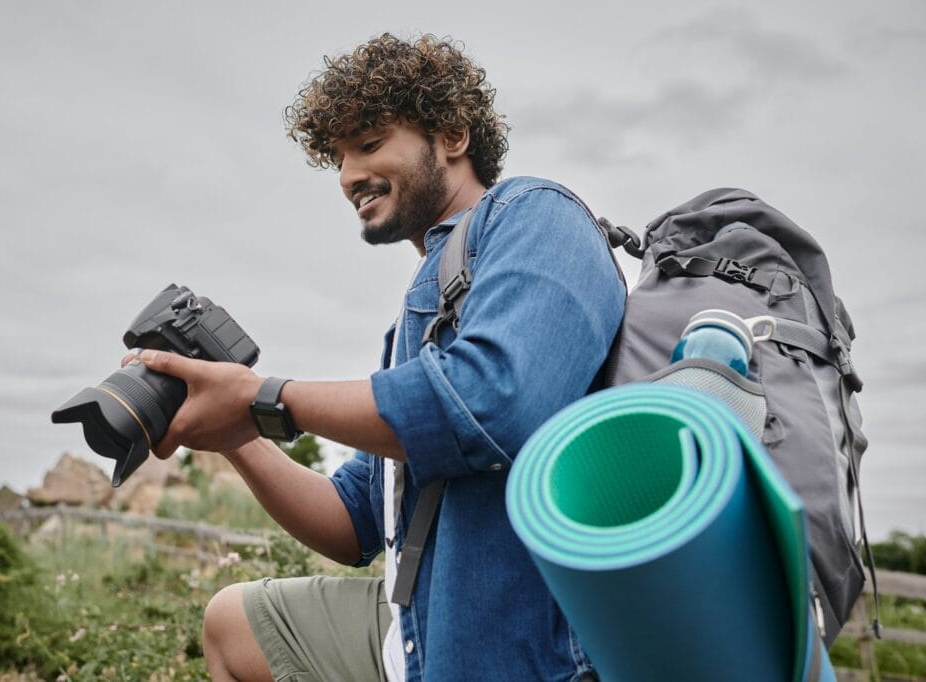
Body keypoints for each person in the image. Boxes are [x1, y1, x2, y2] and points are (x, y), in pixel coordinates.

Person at [129, 33, 625, 681]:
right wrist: (234, 433)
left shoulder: (536, 217)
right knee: (238, 622)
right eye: (337, 157)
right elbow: (351, 522)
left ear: (451, 135)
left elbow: (490, 402)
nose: (347, 176)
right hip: (426, 635)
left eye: (368, 144)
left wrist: (265, 398)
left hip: (524, 649)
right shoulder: (423, 316)